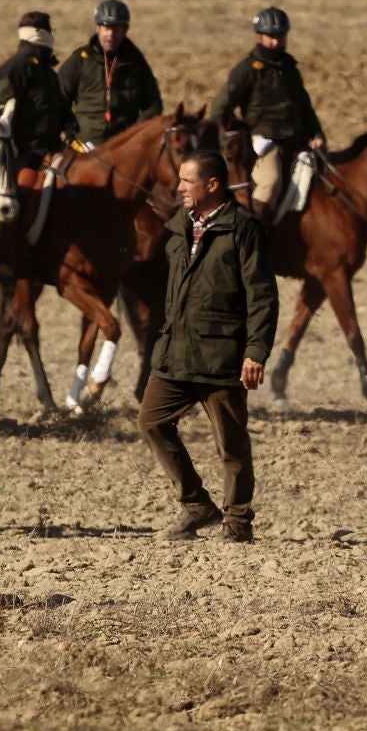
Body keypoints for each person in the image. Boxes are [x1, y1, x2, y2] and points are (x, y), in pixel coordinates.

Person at [139, 151, 277, 543]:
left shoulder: (244, 229)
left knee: (231, 443)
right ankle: (197, 504)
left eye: (187, 181)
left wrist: (256, 351)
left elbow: (262, 295)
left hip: (223, 355)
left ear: (212, 185)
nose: (178, 187)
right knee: (151, 421)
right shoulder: (180, 225)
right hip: (176, 350)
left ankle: (237, 523)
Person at [210, 7, 325, 219]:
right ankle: (251, 236)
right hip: (264, 141)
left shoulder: (290, 68)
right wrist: (242, 136)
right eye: (270, 37)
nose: (275, 42)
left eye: (280, 36)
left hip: (296, 138)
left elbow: (304, 105)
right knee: (270, 181)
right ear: (258, 36)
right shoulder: (247, 70)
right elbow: (219, 109)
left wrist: (316, 134)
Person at [58, 0, 163, 147]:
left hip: (123, 146)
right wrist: (70, 129)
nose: (111, 34)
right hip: (84, 146)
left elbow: (152, 105)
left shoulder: (136, 62)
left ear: (125, 30)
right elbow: (57, 99)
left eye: (117, 28)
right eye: (106, 28)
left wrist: (136, 135)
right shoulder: (80, 60)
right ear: (98, 28)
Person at [0, 11, 77, 183]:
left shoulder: (47, 72)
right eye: (50, 32)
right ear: (42, 34)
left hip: (52, 149)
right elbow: (3, 113)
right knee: (19, 197)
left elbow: (58, 109)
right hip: (26, 153)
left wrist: (71, 124)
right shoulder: (16, 67)